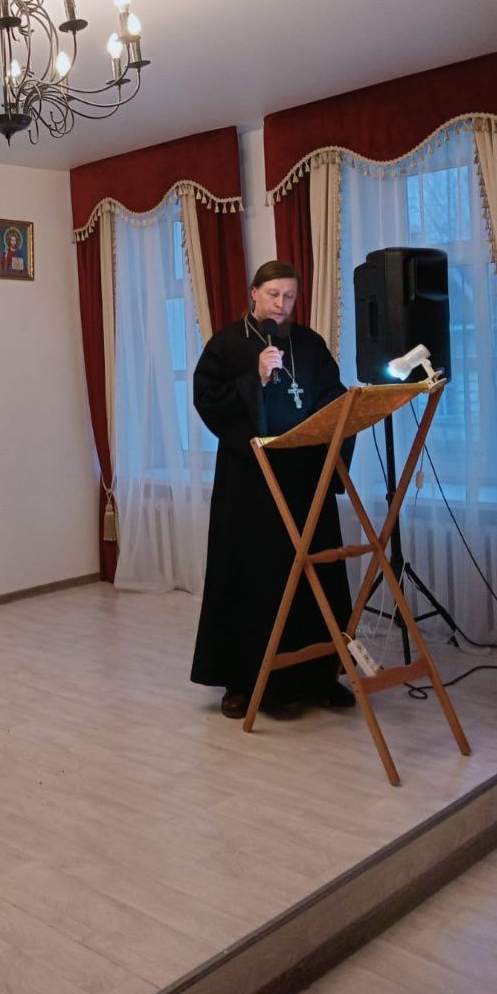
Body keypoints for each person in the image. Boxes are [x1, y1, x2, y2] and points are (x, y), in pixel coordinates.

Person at [190, 260, 356, 718]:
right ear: (254, 293)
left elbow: (333, 395)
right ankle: (246, 682)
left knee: (313, 577)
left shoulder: (310, 344)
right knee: (255, 578)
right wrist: (255, 380)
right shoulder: (226, 345)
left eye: (289, 296)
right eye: (273, 295)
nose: (282, 305)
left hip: (305, 479)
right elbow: (207, 400)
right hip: (252, 485)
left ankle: (318, 676)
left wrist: (337, 414)